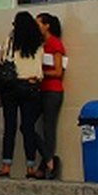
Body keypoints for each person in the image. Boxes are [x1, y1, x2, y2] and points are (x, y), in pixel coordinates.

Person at [0, 11, 44, 179]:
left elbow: (1, 59)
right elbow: (39, 69)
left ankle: (6, 166)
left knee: (10, 127)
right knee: (28, 128)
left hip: (11, 87)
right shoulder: (38, 42)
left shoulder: (11, 40)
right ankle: (31, 168)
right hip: (31, 86)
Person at [35, 12, 66, 180]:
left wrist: (41, 72)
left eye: (38, 23)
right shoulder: (40, 44)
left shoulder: (54, 44)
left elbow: (58, 71)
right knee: (29, 125)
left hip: (52, 90)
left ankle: (46, 163)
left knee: (48, 128)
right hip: (41, 89)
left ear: (47, 25)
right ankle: (48, 159)